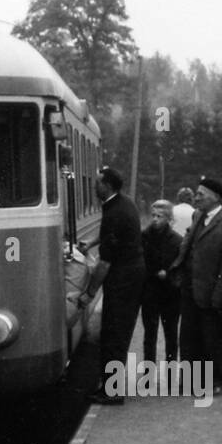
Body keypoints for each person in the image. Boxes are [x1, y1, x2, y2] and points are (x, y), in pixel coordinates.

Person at [168, 176, 222, 395]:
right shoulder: (198, 216)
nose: (196, 197)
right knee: (189, 336)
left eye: (201, 194)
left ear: (216, 198)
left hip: (212, 292)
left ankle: (219, 380)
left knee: (213, 339)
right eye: (197, 193)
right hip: (190, 289)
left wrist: (220, 294)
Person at [80, 166, 144, 404]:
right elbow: (110, 235)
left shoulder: (115, 211)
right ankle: (110, 386)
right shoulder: (122, 204)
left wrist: (89, 293)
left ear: (107, 185)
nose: (94, 185)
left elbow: (104, 264)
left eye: (97, 182)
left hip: (123, 279)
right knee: (115, 332)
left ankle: (112, 392)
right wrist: (92, 242)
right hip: (130, 275)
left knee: (114, 334)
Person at [139, 199, 182, 364]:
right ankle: (149, 376)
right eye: (153, 215)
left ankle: (171, 376)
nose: (155, 219)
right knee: (149, 335)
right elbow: (141, 262)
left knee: (171, 336)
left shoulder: (177, 240)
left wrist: (169, 273)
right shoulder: (144, 237)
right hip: (150, 292)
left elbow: (180, 266)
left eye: (160, 216)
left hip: (171, 295)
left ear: (169, 218)